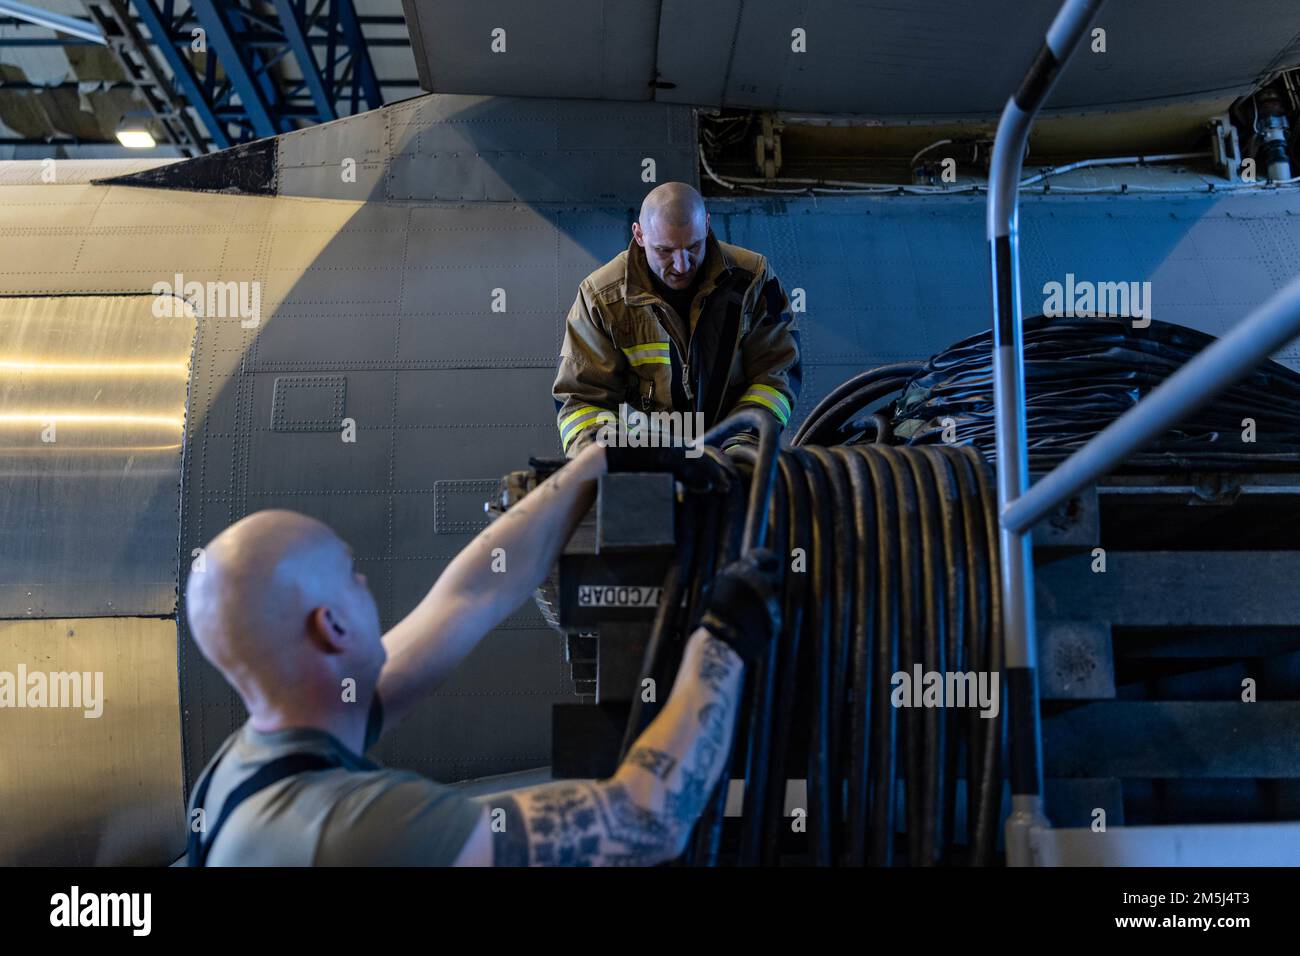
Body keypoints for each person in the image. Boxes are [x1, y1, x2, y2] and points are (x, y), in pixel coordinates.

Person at [183, 442, 780, 865]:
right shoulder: (347, 832)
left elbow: (469, 597)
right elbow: (645, 820)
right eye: (351, 574)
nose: (363, 583)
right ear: (331, 625)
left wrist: (598, 463)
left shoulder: (249, 766)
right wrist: (723, 638)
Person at [553, 181, 801, 456]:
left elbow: (778, 372)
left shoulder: (753, 280)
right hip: (646, 464)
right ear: (639, 235)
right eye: (664, 251)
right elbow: (582, 400)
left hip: (736, 459)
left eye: (694, 246)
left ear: (707, 226)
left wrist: (743, 445)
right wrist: (609, 461)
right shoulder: (601, 298)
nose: (682, 265)